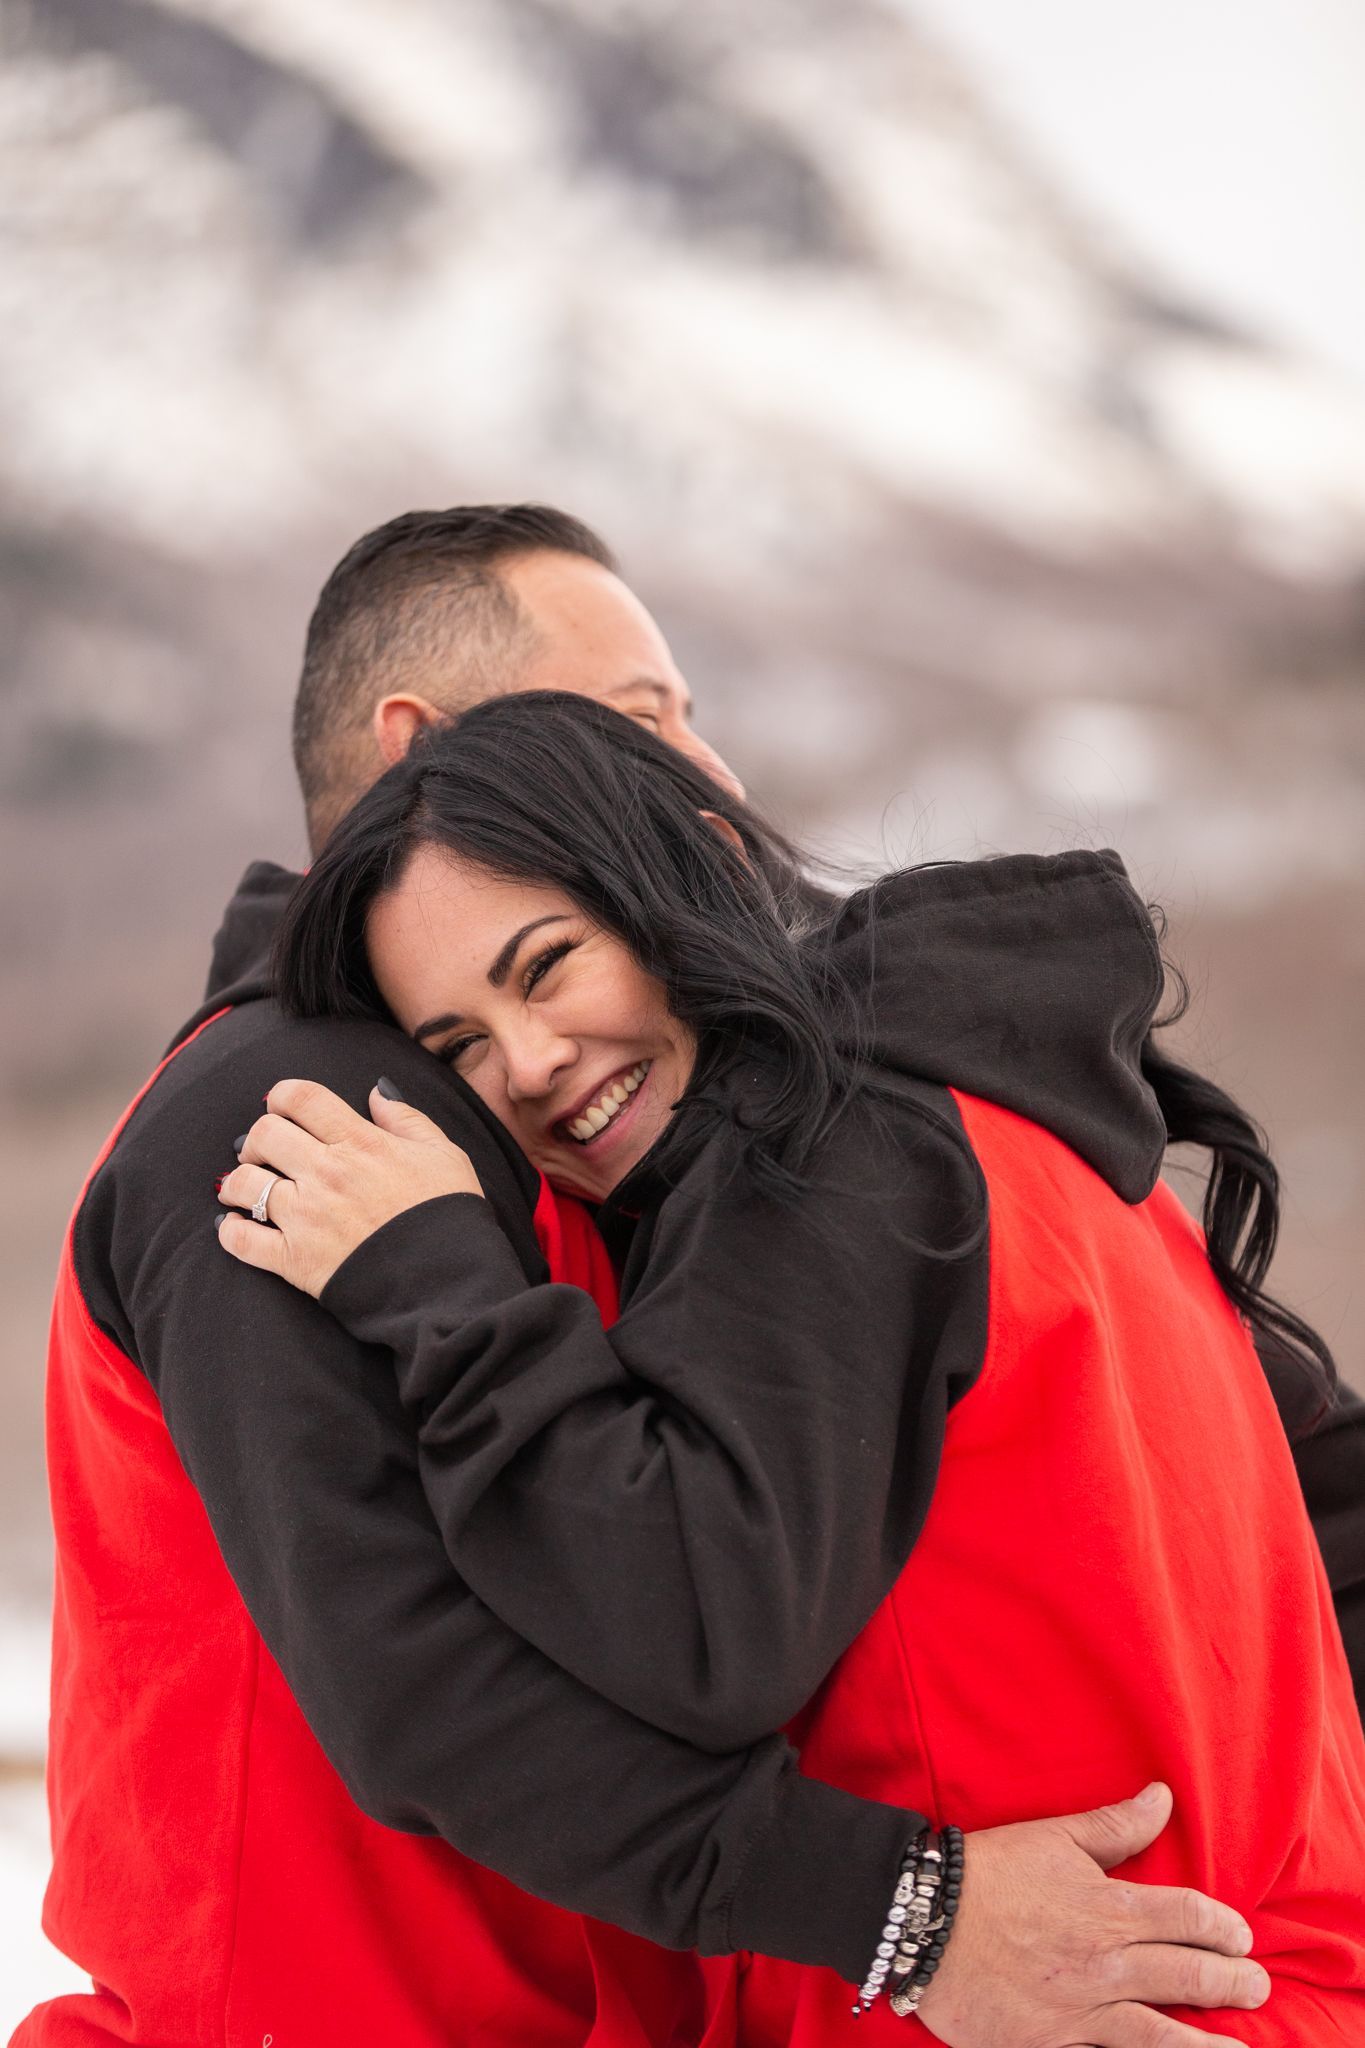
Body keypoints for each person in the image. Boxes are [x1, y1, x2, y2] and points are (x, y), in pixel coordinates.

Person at [24, 505, 1273, 2048]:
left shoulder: (720, 1127)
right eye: (638, 717)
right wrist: (906, 1907)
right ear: (431, 745)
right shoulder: (290, 1121)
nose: (711, 774)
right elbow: (424, 1684)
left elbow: (1293, 1461)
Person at [220, 690, 1365, 2044]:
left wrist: (433, 1278)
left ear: (693, 874)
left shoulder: (819, 1160)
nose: (524, 1067)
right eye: (456, 1047)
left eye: (546, 966)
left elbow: (696, 1629)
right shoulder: (1012, 1118)